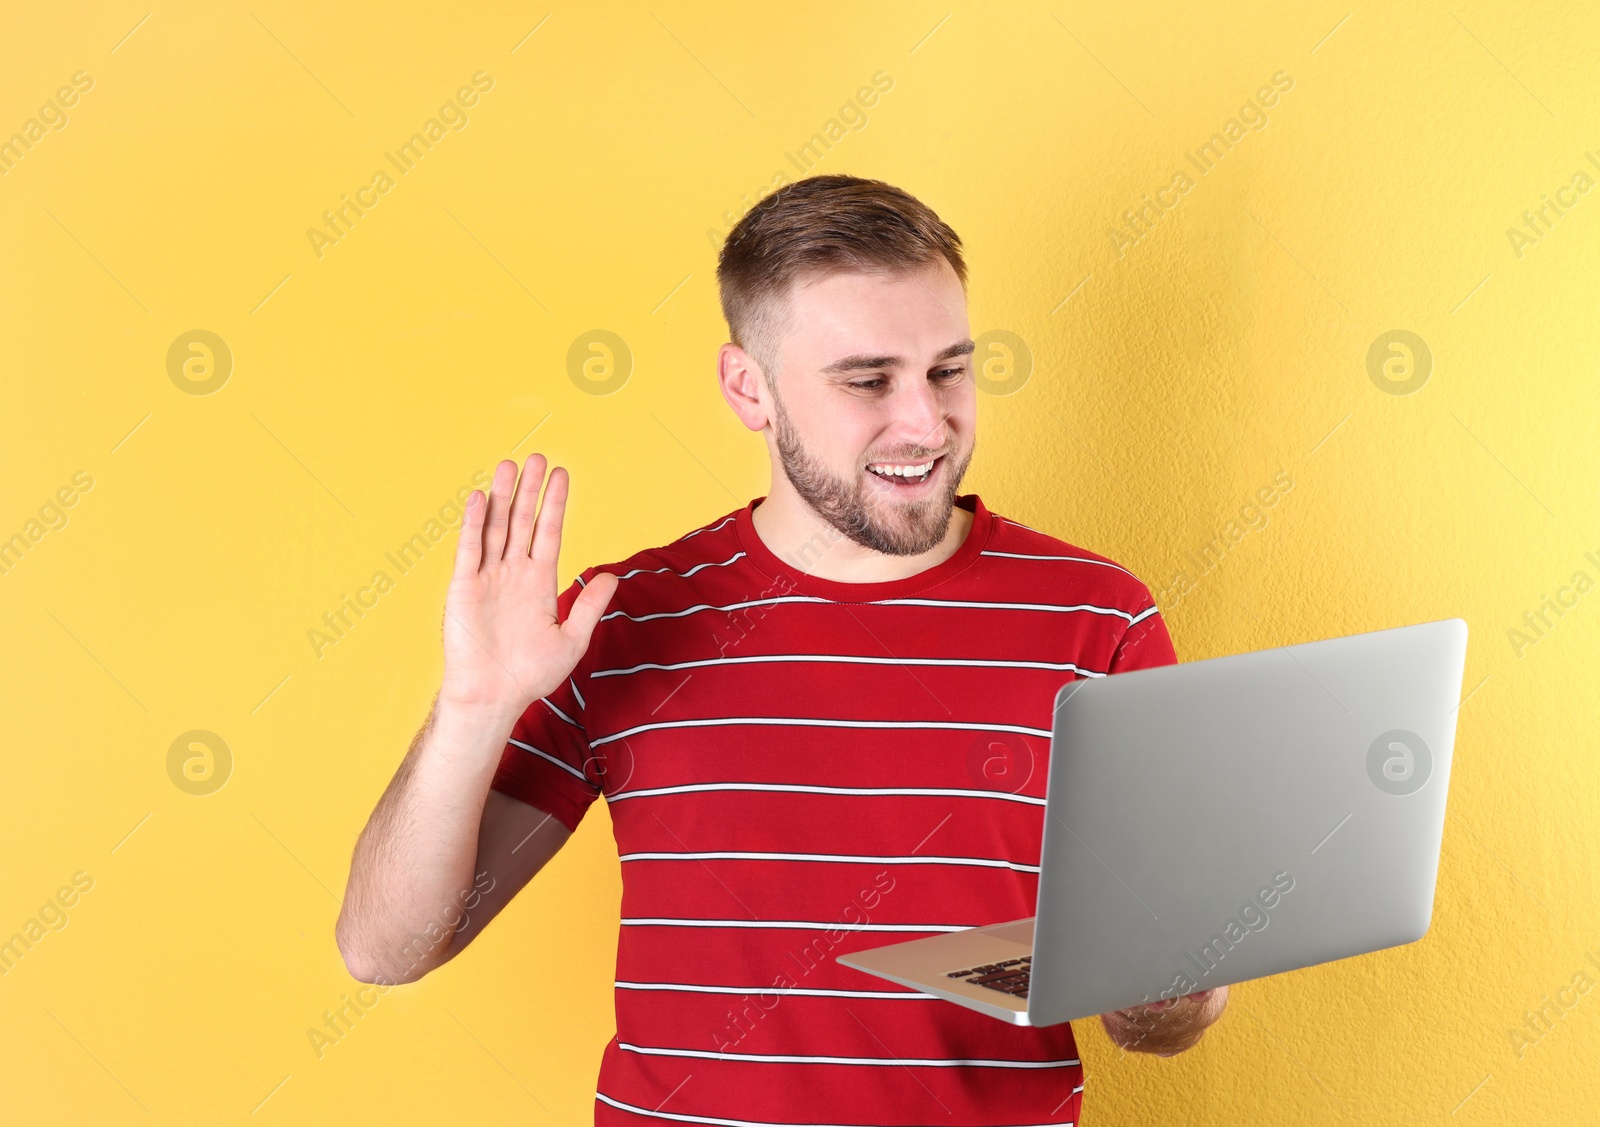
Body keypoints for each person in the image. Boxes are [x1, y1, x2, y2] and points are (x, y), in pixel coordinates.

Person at [336, 174, 1227, 1125]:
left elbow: (1166, 1020)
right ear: (747, 388)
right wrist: (472, 707)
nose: (925, 423)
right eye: (867, 380)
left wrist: (1170, 984)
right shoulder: (618, 621)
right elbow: (386, 949)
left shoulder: (1100, 620)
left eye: (949, 369)